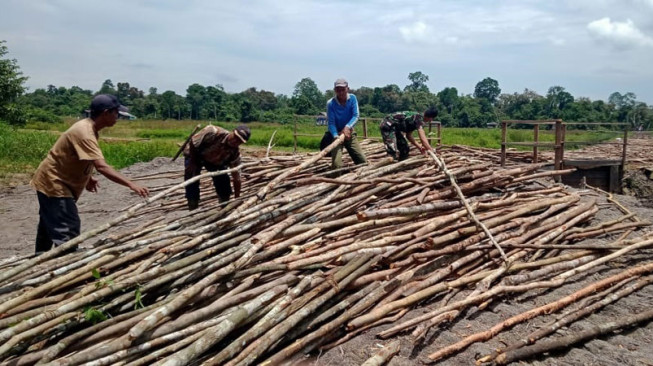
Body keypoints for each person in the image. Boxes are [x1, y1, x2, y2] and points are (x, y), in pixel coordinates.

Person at [30, 94, 149, 255]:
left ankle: (39, 259)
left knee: (49, 222)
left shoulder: (89, 128)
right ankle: (65, 264)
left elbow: (81, 156)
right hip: (54, 181)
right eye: (116, 113)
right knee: (67, 227)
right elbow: (102, 166)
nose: (118, 117)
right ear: (106, 113)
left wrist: (88, 177)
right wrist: (131, 184)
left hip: (56, 178)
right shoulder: (85, 132)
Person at [183, 124, 250, 210]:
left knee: (223, 182)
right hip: (195, 153)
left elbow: (236, 178)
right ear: (232, 131)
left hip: (214, 161)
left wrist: (237, 198)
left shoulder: (234, 154)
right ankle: (192, 206)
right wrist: (192, 162)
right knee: (191, 177)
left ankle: (224, 205)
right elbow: (193, 142)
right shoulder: (213, 131)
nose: (235, 141)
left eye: (239, 141)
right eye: (235, 137)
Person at [326, 78, 367, 170]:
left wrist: (347, 127)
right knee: (337, 165)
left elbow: (356, 115)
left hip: (349, 133)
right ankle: (335, 180)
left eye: (343, 89)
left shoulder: (352, 98)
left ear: (347, 89)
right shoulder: (331, 103)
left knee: (362, 161)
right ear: (335, 90)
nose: (340, 92)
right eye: (338, 90)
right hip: (336, 135)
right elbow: (331, 123)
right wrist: (336, 136)